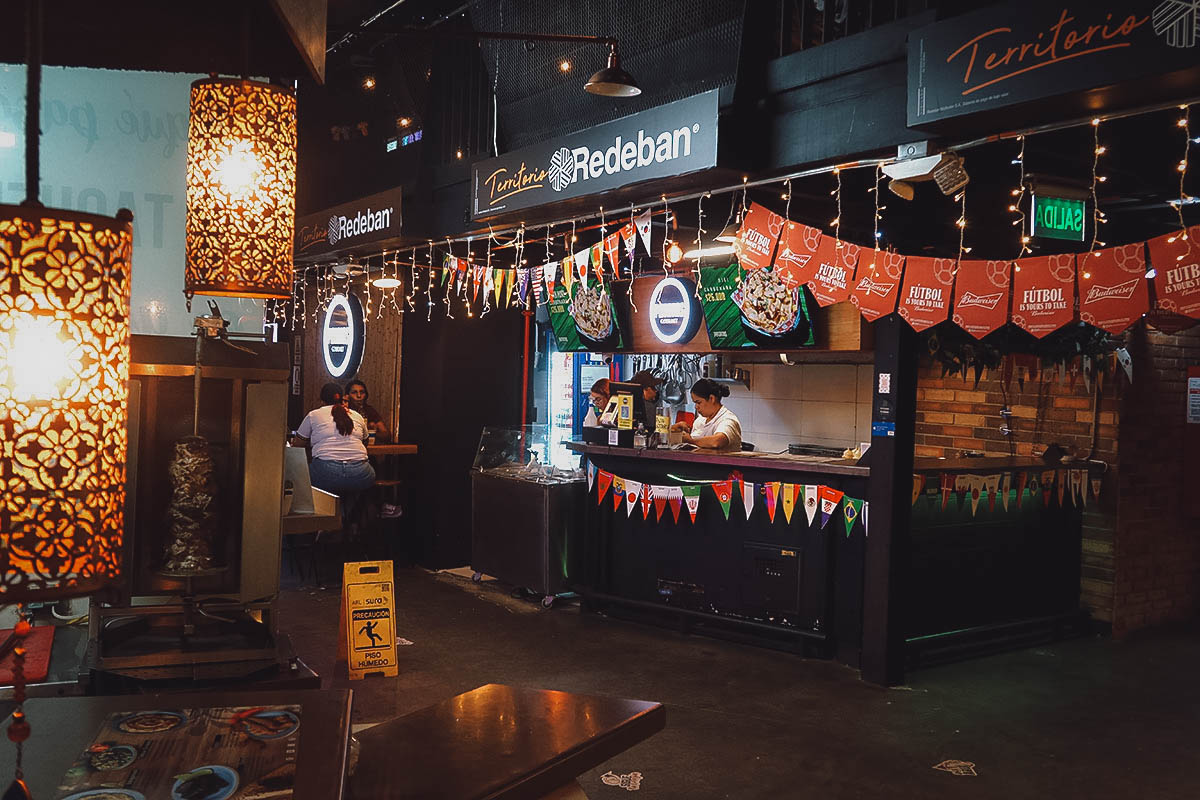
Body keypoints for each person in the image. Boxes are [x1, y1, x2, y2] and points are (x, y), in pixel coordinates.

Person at [292, 382, 376, 494]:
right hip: (360, 474)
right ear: (342, 398)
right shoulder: (356, 415)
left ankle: (333, 510)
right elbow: (365, 442)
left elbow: (297, 445)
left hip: (326, 472)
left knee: (304, 473)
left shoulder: (314, 415)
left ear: (322, 400)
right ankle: (346, 510)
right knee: (353, 489)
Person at [671, 378, 742, 451]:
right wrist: (675, 429)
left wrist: (690, 441)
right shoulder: (700, 420)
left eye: (698, 402)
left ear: (712, 399)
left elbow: (717, 441)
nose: (696, 407)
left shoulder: (728, 420)